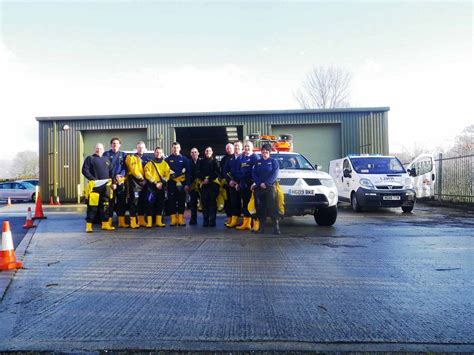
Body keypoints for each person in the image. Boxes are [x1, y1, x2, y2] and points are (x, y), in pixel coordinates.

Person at [81, 143, 114, 232]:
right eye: (97, 148)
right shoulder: (90, 158)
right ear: (94, 149)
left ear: (103, 150)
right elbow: (84, 170)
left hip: (106, 186)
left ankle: (105, 224)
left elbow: (111, 172)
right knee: (92, 206)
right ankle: (89, 225)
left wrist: (113, 182)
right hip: (95, 186)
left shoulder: (107, 159)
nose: (98, 150)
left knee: (106, 205)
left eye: (100, 148)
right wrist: (93, 179)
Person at [251, 143, 280, 234]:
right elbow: (254, 174)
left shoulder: (273, 161)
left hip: (270, 188)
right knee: (260, 208)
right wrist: (259, 183)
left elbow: (275, 174)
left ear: (269, 152)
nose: (265, 153)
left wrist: (267, 183)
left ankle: (276, 228)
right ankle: (261, 228)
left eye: (266, 152)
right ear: (261, 152)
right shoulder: (257, 162)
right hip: (259, 189)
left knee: (272, 207)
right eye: (263, 152)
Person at [125, 141, 151, 229]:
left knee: (142, 202)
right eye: (139, 147)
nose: (141, 149)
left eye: (142, 147)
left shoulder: (147, 159)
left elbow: (150, 171)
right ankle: (133, 221)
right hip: (134, 183)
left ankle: (141, 220)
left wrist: (146, 180)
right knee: (134, 201)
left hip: (145, 184)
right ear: (136, 148)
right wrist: (141, 178)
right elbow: (133, 170)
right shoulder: (132, 158)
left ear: (145, 148)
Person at [103, 137, 128, 228]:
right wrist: (113, 179)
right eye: (113, 143)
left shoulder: (123, 155)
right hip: (110, 183)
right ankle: (108, 221)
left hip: (120, 182)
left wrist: (121, 175)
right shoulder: (106, 154)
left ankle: (121, 222)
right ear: (111, 144)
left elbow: (126, 168)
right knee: (110, 202)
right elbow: (106, 168)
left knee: (121, 202)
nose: (115, 145)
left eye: (117, 143)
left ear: (120, 145)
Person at [144, 146, 170, 228]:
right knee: (149, 204)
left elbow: (167, 175)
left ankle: (159, 222)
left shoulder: (165, 164)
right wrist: (155, 183)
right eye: (157, 152)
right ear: (154, 153)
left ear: (162, 153)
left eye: (160, 152)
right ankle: (149, 222)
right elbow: (147, 174)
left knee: (160, 204)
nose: (158, 154)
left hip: (161, 186)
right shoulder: (149, 164)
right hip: (151, 187)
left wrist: (161, 183)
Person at [235, 140, 259, 231]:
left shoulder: (255, 157)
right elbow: (238, 171)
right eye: (245, 146)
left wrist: (255, 182)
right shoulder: (242, 158)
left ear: (252, 147)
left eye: (248, 146)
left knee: (253, 205)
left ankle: (256, 223)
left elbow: (258, 171)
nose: (246, 148)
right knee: (245, 204)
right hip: (243, 184)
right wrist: (238, 182)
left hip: (252, 185)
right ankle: (246, 223)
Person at [165, 142, 191, 226]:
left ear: (180, 148)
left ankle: (180, 220)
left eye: (177, 147)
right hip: (171, 185)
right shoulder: (167, 160)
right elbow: (165, 173)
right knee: (171, 203)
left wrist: (187, 184)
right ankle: (173, 220)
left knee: (181, 202)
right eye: (174, 147)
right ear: (171, 148)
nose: (175, 149)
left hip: (182, 186)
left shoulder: (184, 159)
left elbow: (188, 173)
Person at [196, 146, 220, 227]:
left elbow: (217, 172)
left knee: (212, 203)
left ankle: (212, 221)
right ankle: (205, 220)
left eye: (209, 151)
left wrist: (209, 179)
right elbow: (198, 171)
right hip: (203, 185)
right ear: (204, 152)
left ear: (212, 152)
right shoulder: (201, 162)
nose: (208, 152)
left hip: (213, 185)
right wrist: (203, 179)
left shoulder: (215, 161)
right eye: (206, 151)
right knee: (204, 203)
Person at [223, 141, 243, 228]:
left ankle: (248, 221)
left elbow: (248, 172)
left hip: (243, 185)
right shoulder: (229, 159)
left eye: (238, 146)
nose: (236, 148)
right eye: (235, 146)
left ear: (241, 147)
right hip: (232, 185)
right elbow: (225, 171)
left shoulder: (245, 158)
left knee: (246, 203)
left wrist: (240, 183)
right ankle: (234, 221)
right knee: (234, 203)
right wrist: (229, 181)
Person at [220, 143, 234, 225]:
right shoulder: (224, 159)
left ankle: (236, 218)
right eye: (227, 148)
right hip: (226, 184)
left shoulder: (237, 156)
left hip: (236, 183)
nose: (229, 149)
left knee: (235, 202)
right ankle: (229, 218)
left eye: (230, 148)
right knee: (227, 202)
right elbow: (222, 171)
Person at [188, 147, 201, 225]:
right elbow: (187, 174)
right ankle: (193, 219)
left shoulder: (202, 162)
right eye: (192, 152)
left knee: (205, 202)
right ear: (190, 154)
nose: (194, 154)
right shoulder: (188, 162)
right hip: (192, 185)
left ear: (198, 153)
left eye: (195, 152)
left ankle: (206, 219)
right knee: (193, 203)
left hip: (202, 185)